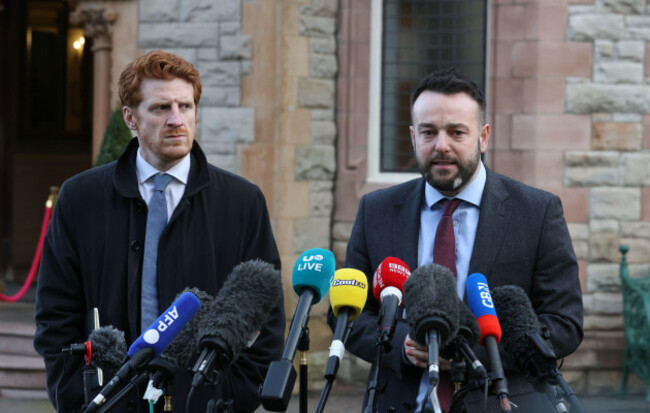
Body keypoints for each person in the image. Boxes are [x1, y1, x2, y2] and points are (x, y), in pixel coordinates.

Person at [33, 50, 285, 413]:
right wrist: (80, 399)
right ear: (131, 118)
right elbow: (55, 316)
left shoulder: (242, 201)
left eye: (186, 106)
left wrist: (229, 398)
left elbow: (266, 314)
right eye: (160, 108)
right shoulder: (80, 198)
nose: (176, 120)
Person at [330, 68, 583, 412]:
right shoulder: (377, 210)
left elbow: (563, 323)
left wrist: (468, 353)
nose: (441, 145)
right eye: (429, 132)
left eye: (456, 132)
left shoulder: (536, 212)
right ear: (413, 137)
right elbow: (347, 313)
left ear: (483, 137)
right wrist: (399, 345)